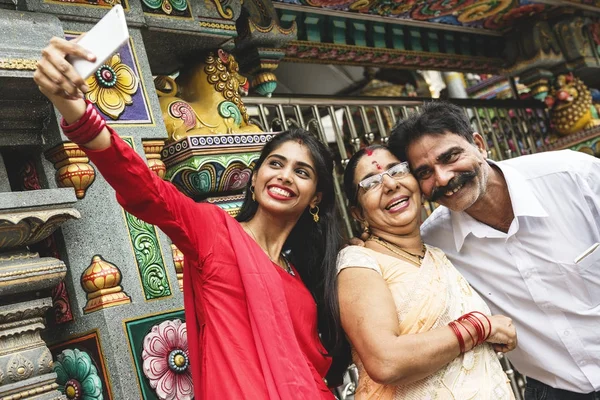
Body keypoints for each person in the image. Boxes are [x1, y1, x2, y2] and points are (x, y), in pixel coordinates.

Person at [34, 37, 350, 399]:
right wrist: (77, 111)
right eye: (275, 164)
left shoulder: (304, 275)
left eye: (302, 172)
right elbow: (148, 191)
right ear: (256, 175)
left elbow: (309, 367)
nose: (284, 176)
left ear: (316, 197)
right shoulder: (215, 231)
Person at [389, 101, 600, 399]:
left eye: (450, 156)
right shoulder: (434, 247)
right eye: (425, 172)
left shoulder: (575, 178)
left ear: (479, 144)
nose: (444, 178)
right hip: (554, 391)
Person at [338, 144, 517, 399]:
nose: (390, 184)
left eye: (398, 170)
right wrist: (481, 327)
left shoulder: (439, 252)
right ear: (358, 213)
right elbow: (386, 361)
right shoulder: (358, 262)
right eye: (370, 183)